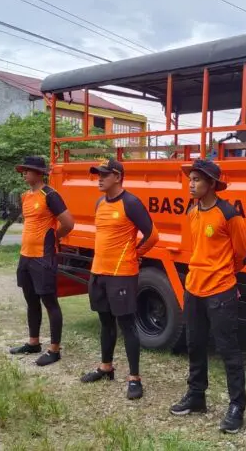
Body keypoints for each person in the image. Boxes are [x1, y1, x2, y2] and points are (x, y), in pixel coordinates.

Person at [169, 158, 246, 434]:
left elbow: (245, 254)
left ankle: (237, 406)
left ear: (212, 183)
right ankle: (196, 397)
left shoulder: (229, 215)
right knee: (194, 344)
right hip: (194, 288)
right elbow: (198, 251)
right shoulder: (192, 212)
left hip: (221, 291)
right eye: (190, 179)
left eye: (196, 180)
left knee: (228, 350)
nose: (190, 184)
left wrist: (225, 275)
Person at [80, 158, 159, 400]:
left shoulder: (131, 203)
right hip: (99, 272)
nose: (99, 179)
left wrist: (136, 253)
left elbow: (152, 235)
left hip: (122, 274)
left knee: (127, 325)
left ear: (117, 176)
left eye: (104, 174)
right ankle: (106, 367)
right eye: (97, 175)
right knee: (105, 322)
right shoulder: (99, 203)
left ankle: (134, 378)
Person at [8, 156, 74, 366]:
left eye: (27, 170)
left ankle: (54, 349)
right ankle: (33, 342)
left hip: (43, 257)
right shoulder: (26, 196)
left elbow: (68, 222)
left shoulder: (51, 195)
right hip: (26, 255)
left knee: (50, 302)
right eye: (23, 170)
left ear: (39, 173)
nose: (24, 174)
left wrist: (55, 237)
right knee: (31, 300)